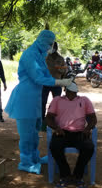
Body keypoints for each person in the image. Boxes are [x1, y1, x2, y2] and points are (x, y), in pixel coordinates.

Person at [5, 30, 73, 174]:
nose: (50, 47)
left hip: (35, 97)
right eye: (49, 44)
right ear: (42, 41)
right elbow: (37, 77)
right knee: (26, 134)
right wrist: (59, 82)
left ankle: (34, 158)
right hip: (25, 98)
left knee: (34, 132)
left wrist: (61, 80)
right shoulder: (30, 54)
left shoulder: (40, 55)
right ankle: (26, 162)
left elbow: (46, 74)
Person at [46, 82, 97, 188]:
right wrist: (56, 128)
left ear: (77, 92)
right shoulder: (57, 100)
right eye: (70, 92)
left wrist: (88, 128)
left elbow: (93, 118)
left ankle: (78, 176)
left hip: (79, 132)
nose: (72, 95)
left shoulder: (84, 100)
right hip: (62, 132)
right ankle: (65, 175)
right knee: (54, 147)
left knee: (89, 147)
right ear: (65, 91)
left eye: (74, 93)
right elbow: (49, 118)